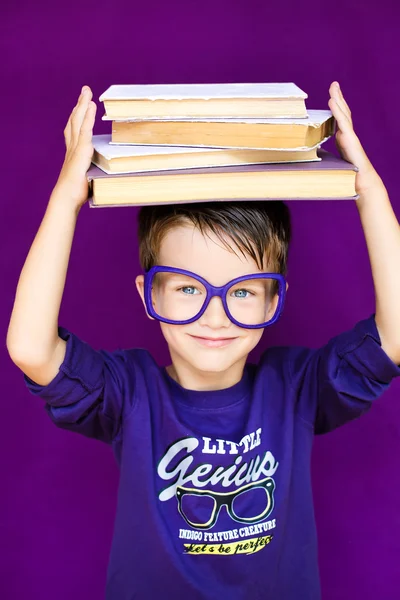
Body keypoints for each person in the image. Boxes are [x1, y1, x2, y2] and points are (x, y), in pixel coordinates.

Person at [6, 82, 400, 600]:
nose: (215, 314)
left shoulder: (295, 389)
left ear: (272, 301)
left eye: (242, 291)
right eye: (189, 287)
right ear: (149, 294)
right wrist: (67, 198)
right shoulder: (129, 394)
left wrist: (368, 189)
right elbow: (31, 349)